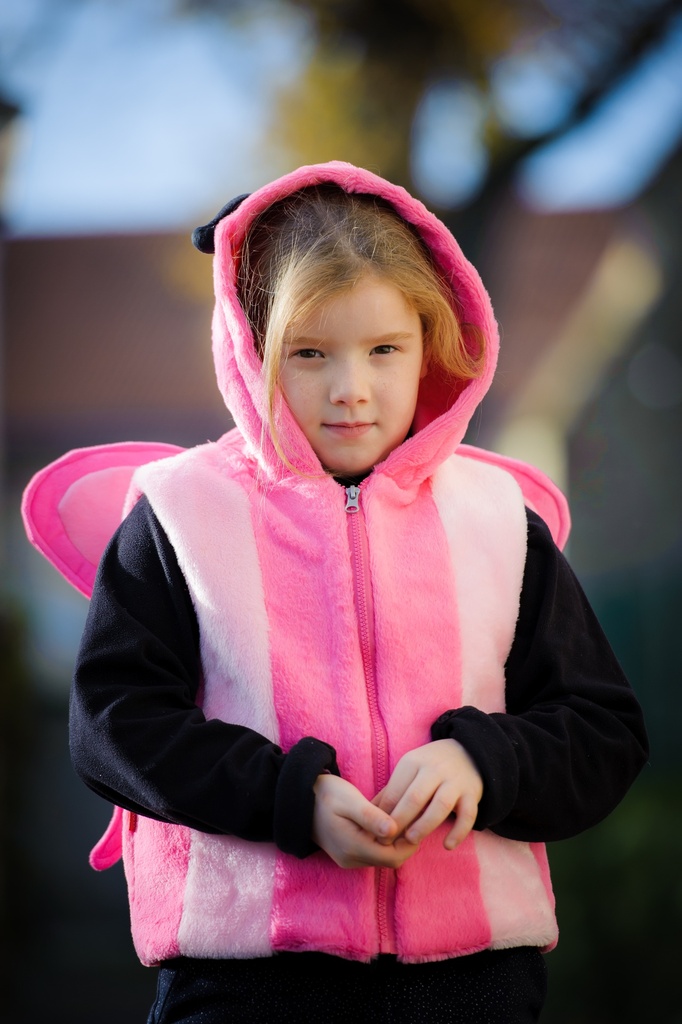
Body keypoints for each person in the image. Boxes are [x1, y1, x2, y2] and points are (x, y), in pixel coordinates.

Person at [27, 161, 648, 1023]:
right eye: (310, 353)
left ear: (433, 343)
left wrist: (485, 759)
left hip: (476, 984)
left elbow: (603, 731)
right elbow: (113, 726)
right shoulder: (178, 514)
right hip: (246, 982)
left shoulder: (501, 520)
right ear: (251, 348)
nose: (351, 388)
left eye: (384, 350)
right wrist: (290, 797)